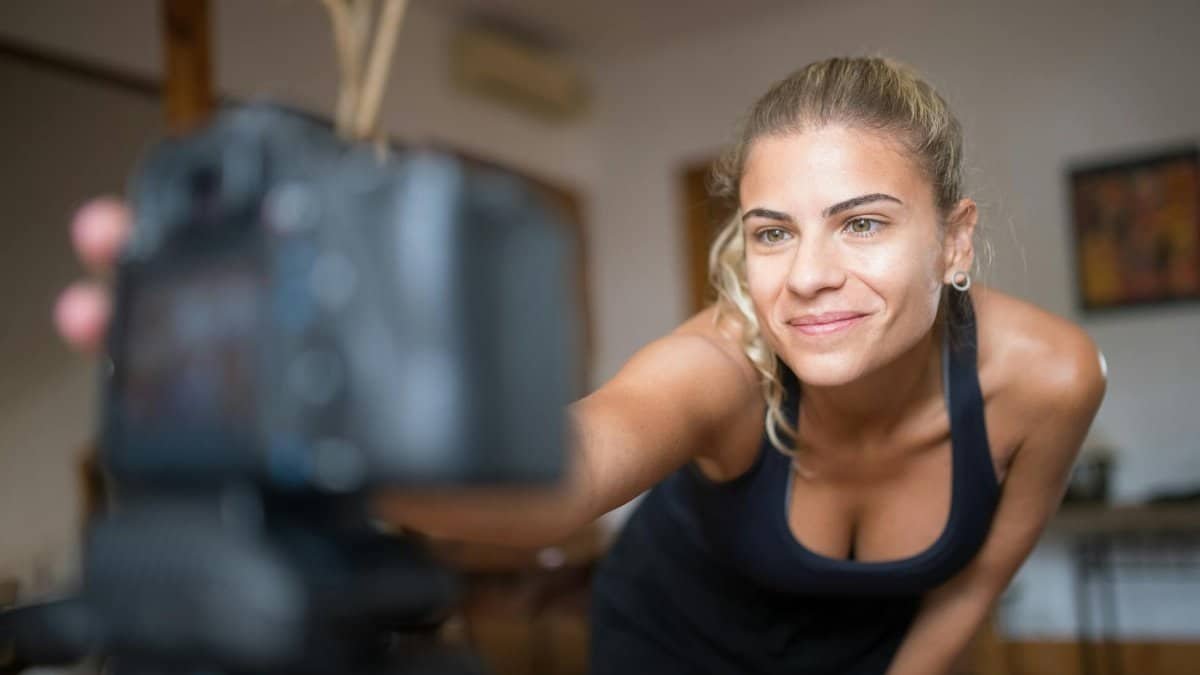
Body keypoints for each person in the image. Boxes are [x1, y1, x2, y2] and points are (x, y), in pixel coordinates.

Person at [56, 56, 1106, 675]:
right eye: (773, 232)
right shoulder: (725, 366)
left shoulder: (1052, 377)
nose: (809, 277)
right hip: (669, 645)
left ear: (955, 241)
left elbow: (975, 578)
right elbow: (564, 476)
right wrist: (341, 434)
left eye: (863, 223)